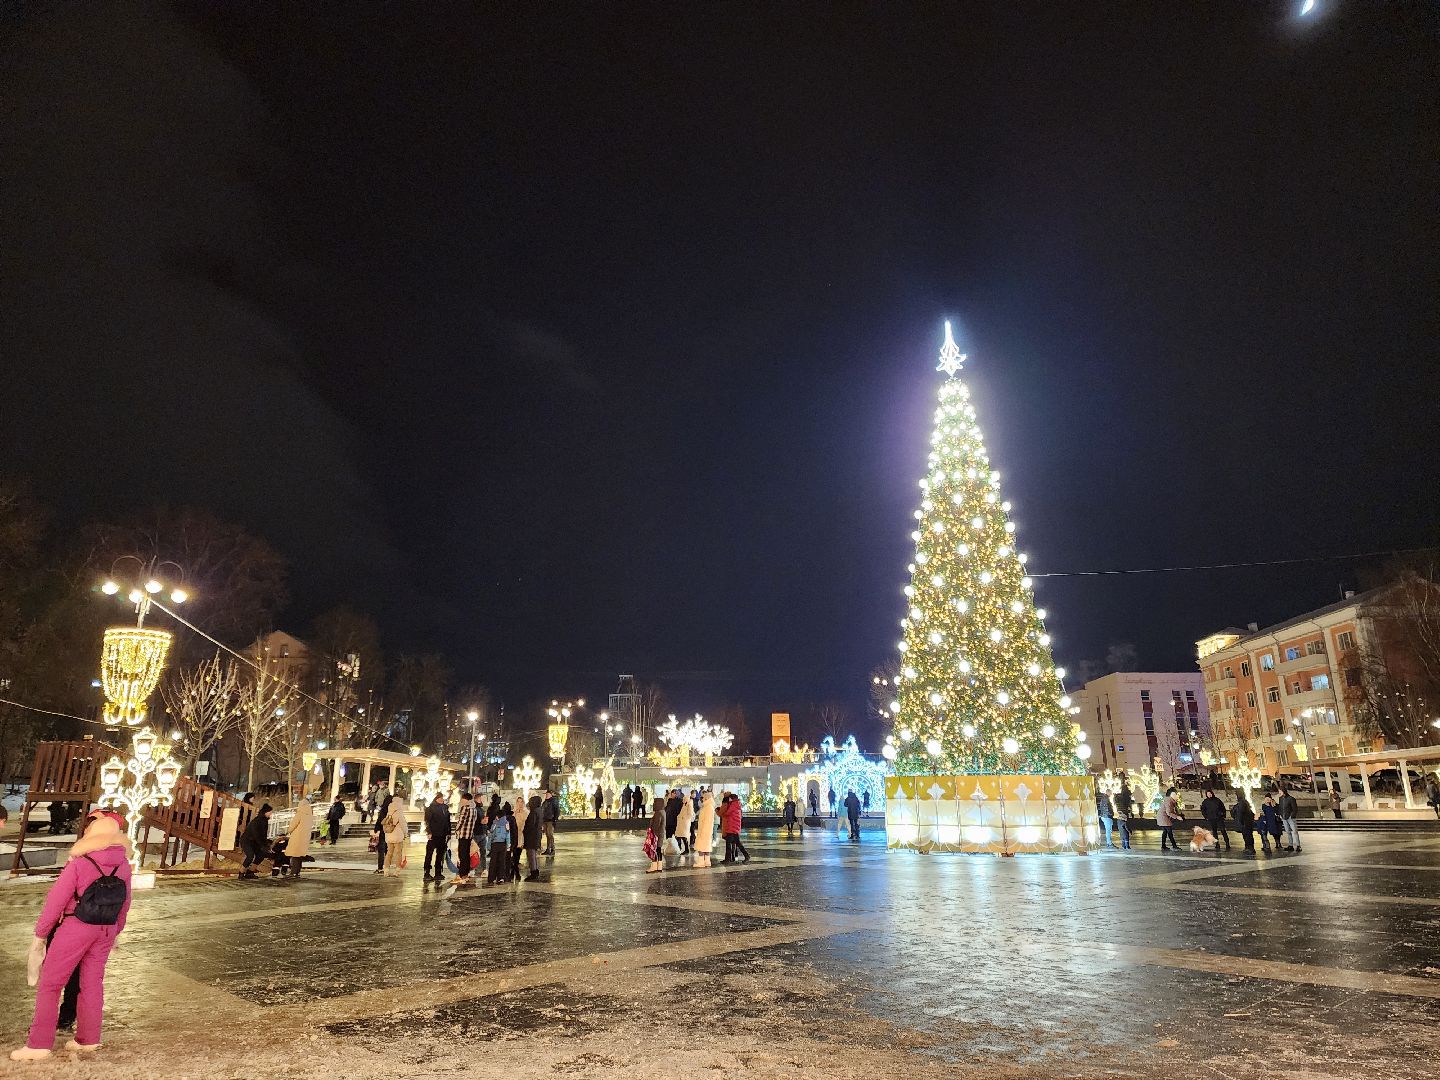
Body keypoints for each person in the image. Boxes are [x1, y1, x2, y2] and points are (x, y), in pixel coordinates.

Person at [11, 809, 132, 1061]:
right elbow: (125, 902)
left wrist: (41, 934)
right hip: (105, 929)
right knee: (92, 983)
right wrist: (115, 931)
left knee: (51, 984)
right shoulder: (123, 864)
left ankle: (38, 1044)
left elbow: (55, 901)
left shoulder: (80, 862)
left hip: (75, 927)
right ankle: (88, 1039)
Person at [239, 803, 273, 879]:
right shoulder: (257, 820)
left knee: (261, 854)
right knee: (250, 856)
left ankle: (250, 872)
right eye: (270, 812)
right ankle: (241, 872)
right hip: (247, 840)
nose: (271, 813)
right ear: (265, 812)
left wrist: (266, 845)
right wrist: (263, 845)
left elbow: (263, 835)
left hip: (254, 841)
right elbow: (256, 834)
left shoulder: (265, 820)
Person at [423, 791, 451, 883]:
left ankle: (438, 872)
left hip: (442, 834)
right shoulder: (430, 808)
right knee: (429, 854)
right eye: (440, 798)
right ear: (436, 799)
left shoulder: (445, 808)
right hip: (434, 834)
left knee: (440, 854)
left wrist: (448, 832)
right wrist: (429, 832)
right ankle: (427, 872)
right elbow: (427, 821)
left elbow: (448, 821)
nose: (442, 799)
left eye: (442, 797)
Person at [282, 799, 314, 878]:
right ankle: (297, 872)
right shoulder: (310, 815)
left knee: (295, 854)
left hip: (297, 837)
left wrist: (288, 831)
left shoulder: (300, 814)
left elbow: (293, 825)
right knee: (300, 855)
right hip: (305, 837)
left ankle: (293, 872)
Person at [453, 790, 477, 886]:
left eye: (462, 799)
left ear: (466, 800)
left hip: (463, 834)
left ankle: (462, 874)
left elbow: (461, 821)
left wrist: (456, 829)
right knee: (466, 855)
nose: (461, 801)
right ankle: (466, 873)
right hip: (469, 835)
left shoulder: (465, 808)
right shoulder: (474, 809)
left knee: (462, 855)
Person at [382, 794, 409, 876]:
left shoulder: (389, 812)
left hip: (389, 835)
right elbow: (403, 825)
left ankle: (386, 870)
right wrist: (406, 833)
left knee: (389, 853)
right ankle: (397, 870)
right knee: (398, 853)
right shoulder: (399, 812)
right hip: (397, 836)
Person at [720, 792, 750, 864]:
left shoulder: (733, 805)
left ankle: (729, 859)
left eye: (730, 798)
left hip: (732, 827)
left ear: (732, 799)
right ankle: (729, 859)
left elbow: (726, 813)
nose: (729, 799)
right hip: (734, 827)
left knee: (730, 843)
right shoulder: (736, 804)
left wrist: (720, 811)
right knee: (736, 843)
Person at [487, 803, 512, 885]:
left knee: (493, 862)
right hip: (503, 845)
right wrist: (508, 845)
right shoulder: (506, 823)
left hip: (495, 845)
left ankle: (491, 879)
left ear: (497, 816)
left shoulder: (495, 824)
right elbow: (508, 835)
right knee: (502, 862)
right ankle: (500, 878)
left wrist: (488, 846)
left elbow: (491, 835)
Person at [1199, 788, 1231, 853]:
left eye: (1210, 793)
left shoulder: (1217, 800)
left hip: (1219, 818)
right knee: (1214, 832)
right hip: (1211, 819)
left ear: (1212, 794)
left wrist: (1223, 815)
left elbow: (1223, 807)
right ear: (1206, 795)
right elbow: (1203, 810)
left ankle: (1227, 843)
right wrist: (1206, 817)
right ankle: (1217, 844)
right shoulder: (1205, 802)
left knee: (1223, 831)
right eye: (1208, 794)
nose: (1209, 795)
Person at [372, 788, 394, 874]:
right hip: (391, 832)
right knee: (388, 850)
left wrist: (376, 829)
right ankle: (387, 866)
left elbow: (379, 820)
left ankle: (380, 867)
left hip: (383, 831)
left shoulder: (384, 810)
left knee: (381, 850)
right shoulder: (394, 811)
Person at [523, 794, 543, 881]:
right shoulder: (539, 810)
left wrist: (525, 831)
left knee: (531, 853)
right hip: (536, 834)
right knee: (533, 853)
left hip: (532, 835)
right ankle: (535, 871)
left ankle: (533, 872)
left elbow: (531, 824)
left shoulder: (534, 812)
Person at [695, 789, 716, 867]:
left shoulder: (708, 807)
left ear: (706, 798)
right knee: (706, 846)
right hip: (706, 830)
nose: (702, 799)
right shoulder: (708, 806)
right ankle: (707, 861)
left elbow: (707, 821)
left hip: (705, 830)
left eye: (703, 798)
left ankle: (701, 862)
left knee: (701, 846)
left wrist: (703, 831)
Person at [1277, 785, 1302, 852]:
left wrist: (1291, 816)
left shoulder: (1291, 799)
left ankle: (1298, 845)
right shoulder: (1280, 798)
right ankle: (1290, 845)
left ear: (1283, 791)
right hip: (1284, 818)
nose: (1279, 792)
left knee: (1295, 831)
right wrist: (1280, 814)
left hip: (1290, 818)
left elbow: (1295, 809)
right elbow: (1280, 807)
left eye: (1280, 791)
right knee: (1288, 832)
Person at [1157, 788, 1181, 852]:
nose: (1177, 796)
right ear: (1171, 795)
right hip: (1164, 818)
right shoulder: (1169, 801)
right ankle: (1174, 846)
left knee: (1165, 832)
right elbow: (1168, 812)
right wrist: (1177, 817)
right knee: (1169, 832)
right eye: (1175, 794)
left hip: (1162, 817)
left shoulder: (1170, 800)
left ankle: (1163, 846)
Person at [1232, 792, 1257, 856]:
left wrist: (1240, 822)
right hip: (1247, 822)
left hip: (1245, 823)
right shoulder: (1244, 802)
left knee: (1247, 836)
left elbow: (1240, 813)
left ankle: (1250, 848)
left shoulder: (1241, 803)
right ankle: (1249, 848)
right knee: (1248, 836)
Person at [645, 797, 665, 873]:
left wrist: (652, 833)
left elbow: (656, 825)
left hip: (656, 834)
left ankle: (653, 866)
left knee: (654, 850)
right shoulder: (663, 812)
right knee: (658, 850)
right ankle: (659, 866)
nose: (654, 804)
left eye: (655, 803)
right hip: (661, 834)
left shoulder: (658, 813)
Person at [507, 800, 523, 881]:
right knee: (514, 858)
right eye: (518, 802)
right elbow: (514, 830)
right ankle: (515, 874)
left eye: (521, 802)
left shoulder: (525, 813)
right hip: (515, 839)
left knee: (514, 858)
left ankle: (512, 874)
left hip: (516, 839)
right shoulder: (512, 817)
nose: (519, 803)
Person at [541, 789, 559, 856]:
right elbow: (543, 810)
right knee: (547, 835)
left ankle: (552, 849)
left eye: (547, 794)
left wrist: (555, 819)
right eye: (546, 794)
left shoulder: (553, 801)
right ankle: (548, 849)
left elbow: (557, 810)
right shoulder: (545, 802)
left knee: (550, 835)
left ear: (551, 795)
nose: (546, 795)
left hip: (550, 821)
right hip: (545, 820)